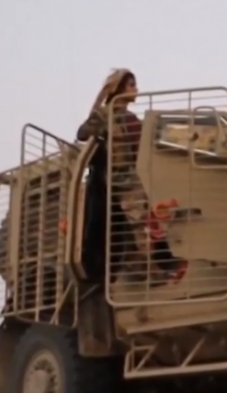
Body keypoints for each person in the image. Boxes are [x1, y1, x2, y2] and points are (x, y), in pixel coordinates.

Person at [76, 69, 166, 285]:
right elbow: (83, 133)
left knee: (142, 224)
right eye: (131, 85)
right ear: (120, 88)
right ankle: (147, 269)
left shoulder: (129, 118)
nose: (136, 89)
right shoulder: (107, 114)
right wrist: (100, 111)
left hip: (131, 177)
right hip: (119, 179)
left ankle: (146, 266)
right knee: (140, 224)